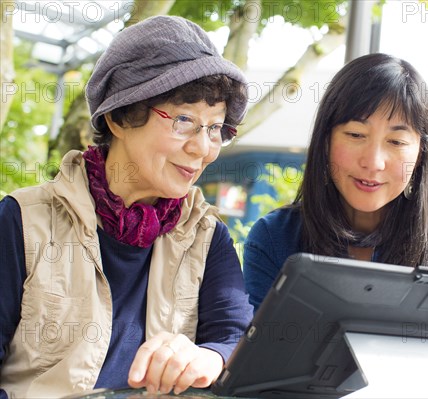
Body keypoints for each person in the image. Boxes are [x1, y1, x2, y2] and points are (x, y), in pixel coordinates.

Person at [0, 16, 253, 398]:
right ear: (120, 116)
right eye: (184, 120)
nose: (202, 149)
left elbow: (235, 337)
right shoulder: (21, 221)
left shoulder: (206, 235)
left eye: (215, 128)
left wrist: (210, 357)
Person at [243, 53, 428, 310]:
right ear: (326, 140)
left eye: (396, 142)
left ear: (422, 153)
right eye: (356, 134)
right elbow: (261, 346)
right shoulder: (275, 236)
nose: (374, 162)